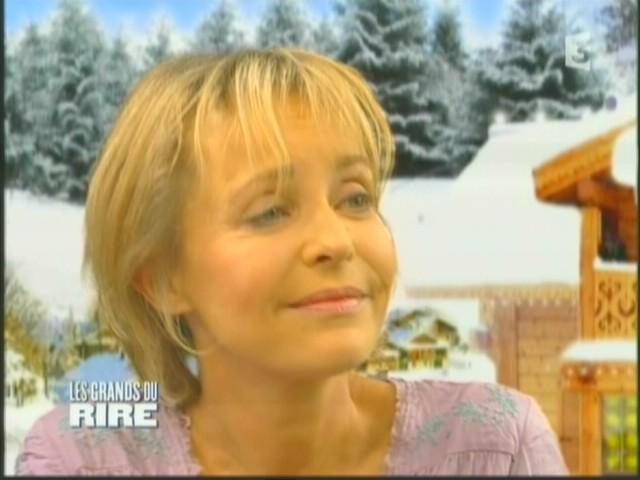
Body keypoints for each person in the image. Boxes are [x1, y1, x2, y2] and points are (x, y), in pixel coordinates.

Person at [15, 48, 569, 476]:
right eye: (270, 211)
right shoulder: (79, 456)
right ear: (162, 278)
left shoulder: (496, 448)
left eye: (356, 198)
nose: (336, 240)